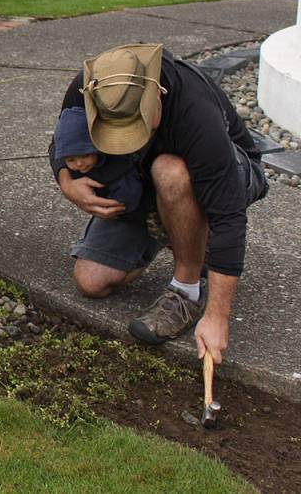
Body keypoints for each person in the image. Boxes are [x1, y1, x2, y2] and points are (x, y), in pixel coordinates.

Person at [51, 43, 267, 365]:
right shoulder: (91, 87)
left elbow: (229, 216)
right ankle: (179, 230)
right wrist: (66, 181)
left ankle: (186, 291)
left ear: (159, 93)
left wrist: (217, 317)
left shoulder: (195, 112)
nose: (131, 139)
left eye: (138, 125)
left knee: (170, 171)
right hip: (139, 187)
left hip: (227, 175)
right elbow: (63, 141)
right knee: (91, 281)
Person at [52, 106, 144, 216]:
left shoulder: (118, 163)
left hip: (131, 211)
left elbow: (130, 192)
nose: (79, 163)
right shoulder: (75, 169)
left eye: (85, 155)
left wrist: (122, 207)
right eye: (70, 159)